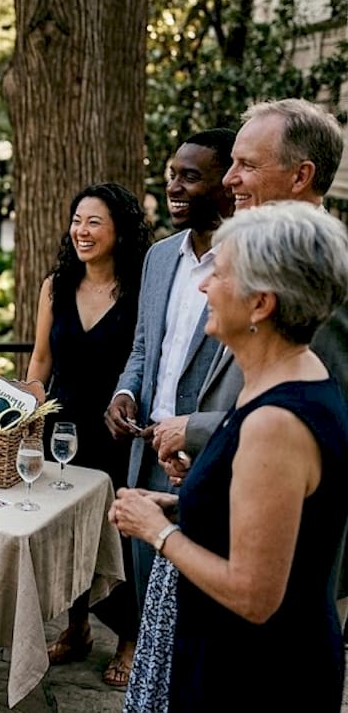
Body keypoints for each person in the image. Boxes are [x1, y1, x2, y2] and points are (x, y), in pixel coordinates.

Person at [112, 201, 348, 711]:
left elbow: (254, 595)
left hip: (260, 675)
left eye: (219, 273)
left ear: (260, 303)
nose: (203, 286)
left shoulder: (275, 423)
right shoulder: (286, 377)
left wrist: (156, 530)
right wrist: (186, 498)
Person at [101, 129, 236, 638]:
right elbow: (142, 348)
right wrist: (124, 392)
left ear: (228, 185)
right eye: (171, 175)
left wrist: (197, 431)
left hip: (207, 462)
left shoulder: (248, 265)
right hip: (146, 456)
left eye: (191, 177)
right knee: (147, 601)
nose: (174, 187)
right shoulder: (159, 258)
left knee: (199, 615)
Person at [25, 183, 151, 685]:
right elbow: (40, 362)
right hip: (62, 431)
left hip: (117, 432)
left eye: (94, 222)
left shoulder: (142, 289)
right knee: (70, 532)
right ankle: (77, 628)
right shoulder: (55, 286)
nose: (82, 231)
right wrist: (26, 407)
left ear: (119, 230)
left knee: (120, 533)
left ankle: (129, 638)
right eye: (77, 220)